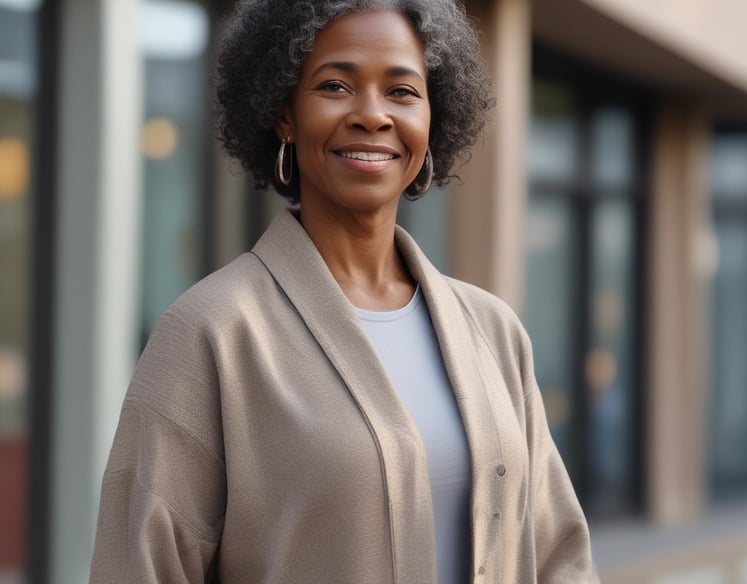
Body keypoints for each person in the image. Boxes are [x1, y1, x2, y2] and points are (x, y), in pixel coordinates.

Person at [90, 1, 596, 582]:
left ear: (433, 117)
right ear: (285, 114)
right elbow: (140, 568)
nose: (372, 115)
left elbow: (560, 555)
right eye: (335, 85)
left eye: (402, 91)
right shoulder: (211, 332)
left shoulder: (494, 331)